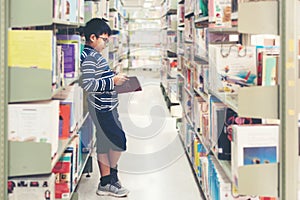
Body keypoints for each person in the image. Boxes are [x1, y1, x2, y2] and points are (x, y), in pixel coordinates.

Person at [80, 18, 129, 197]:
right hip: (102, 109)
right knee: (118, 141)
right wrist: (112, 81)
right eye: (104, 40)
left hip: (105, 106)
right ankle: (112, 176)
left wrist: (113, 75)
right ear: (93, 37)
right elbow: (89, 84)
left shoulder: (94, 55)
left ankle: (106, 182)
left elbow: (98, 77)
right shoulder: (90, 57)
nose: (106, 43)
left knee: (104, 143)